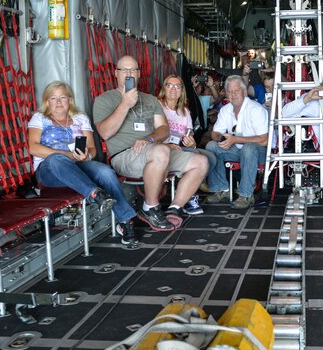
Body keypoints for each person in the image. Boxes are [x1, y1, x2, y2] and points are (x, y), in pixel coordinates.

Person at [93, 55, 209, 230]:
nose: (129, 73)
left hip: (154, 151)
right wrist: (124, 104)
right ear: (116, 73)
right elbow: (105, 132)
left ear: (139, 74)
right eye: (124, 69)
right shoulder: (105, 99)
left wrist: (149, 139)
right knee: (161, 151)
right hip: (124, 156)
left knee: (201, 162)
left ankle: (175, 208)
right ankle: (150, 207)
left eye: (133, 69)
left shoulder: (150, 99)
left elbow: (164, 129)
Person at [28, 81, 138, 243]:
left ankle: (125, 220)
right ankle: (95, 193)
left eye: (62, 97)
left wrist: (85, 156)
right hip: (49, 171)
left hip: (77, 165)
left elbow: (92, 149)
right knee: (56, 159)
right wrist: (67, 155)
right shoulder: (39, 118)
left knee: (105, 172)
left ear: (70, 100)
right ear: (47, 102)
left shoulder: (80, 118)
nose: (58, 102)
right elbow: (33, 148)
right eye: (53, 98)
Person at [204, 75, 269, 209]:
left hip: (259, 153)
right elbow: (215, 133)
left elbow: (264, 139)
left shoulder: (256, 109)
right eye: (229, 91)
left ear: (244, 92)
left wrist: (236, 139)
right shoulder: (225, 110)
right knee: (211, 146)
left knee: (249, 148)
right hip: (237, 150)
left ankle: (246, 195)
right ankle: (222, 189)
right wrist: (221, 139)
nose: (233, 94)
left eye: (236, 91)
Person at [157, 74, 217, 214]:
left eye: (177, 86)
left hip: (180, 148)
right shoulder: (157, 106)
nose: (173, 89)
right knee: (198, 157)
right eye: (169, 85)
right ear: (164, 88)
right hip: (161, 150)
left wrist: (192, 144)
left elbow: (188, 136)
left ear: (182, 90)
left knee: (211, 157)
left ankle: (185, 191)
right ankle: (187, 197)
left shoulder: (185, 112)